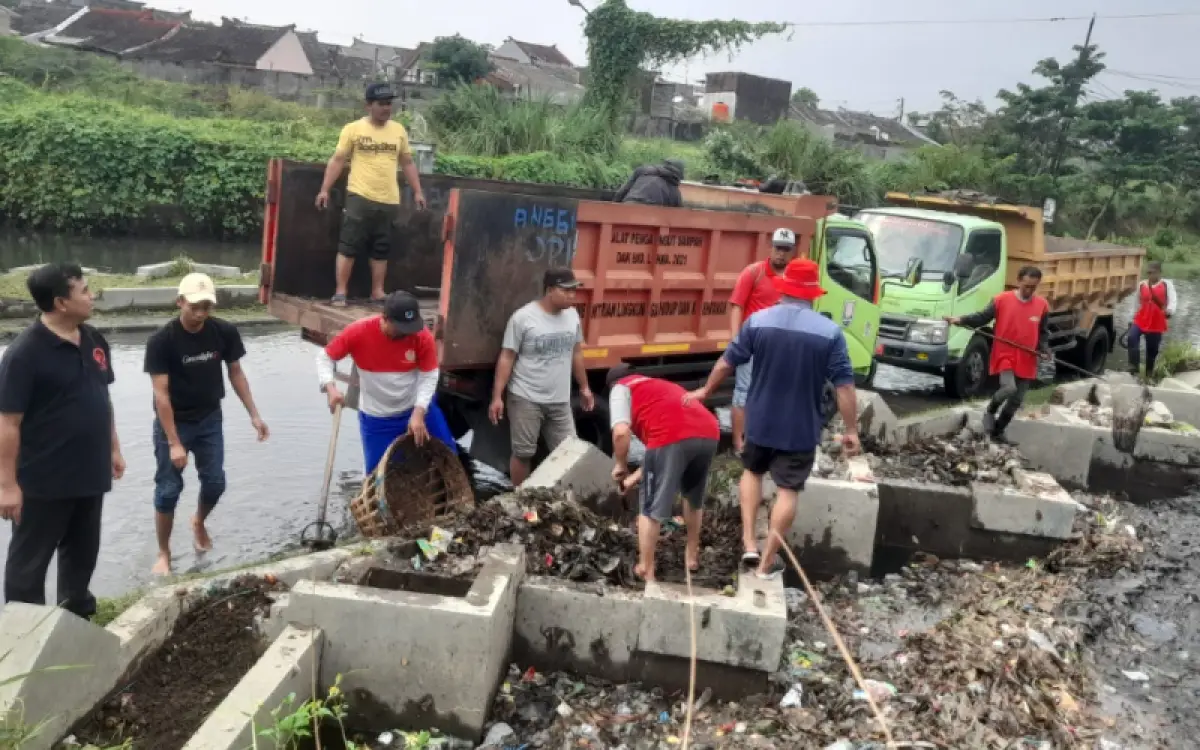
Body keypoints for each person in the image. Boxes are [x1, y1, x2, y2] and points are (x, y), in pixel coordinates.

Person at [685, 258, 860, 580]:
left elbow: (727, 362)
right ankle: (766, 563)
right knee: (787, 490)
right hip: (801, 426)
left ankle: (749, 542)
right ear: (813, 294)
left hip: (760, 420)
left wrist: (705, 391)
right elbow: (844, 386)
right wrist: (851, 430)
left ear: (783, 288)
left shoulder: (758, 322)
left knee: (752, 472)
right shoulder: (829, 332)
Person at [0, 262, 125, 619]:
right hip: (43, 481)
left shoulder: (94, 340)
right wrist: (7, 485)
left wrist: (113, 448)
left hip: (88, 474)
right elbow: (8, 423)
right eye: (84, 291)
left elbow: (102, 399)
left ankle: (75, 622)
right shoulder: (24, 354)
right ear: (60, 303)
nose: (91, 296)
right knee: (29, 565)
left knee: (82, 556)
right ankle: (24, 632)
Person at [144, 273, 270, 576]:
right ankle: (164, 552)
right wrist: (174, 442)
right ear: (180, 302)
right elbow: (161, 396)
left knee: (215, 482)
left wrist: (254, 413)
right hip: (174, 421)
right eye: (194, 307)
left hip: (210, 417)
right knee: (168, 490)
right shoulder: (162, 341)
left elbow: (236, 373)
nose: (200, 314)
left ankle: (198, 521)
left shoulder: (223, 332)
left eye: (206, 307)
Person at [318, 291, 457, 474]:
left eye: (409, 327)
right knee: (379, 474)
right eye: (400, 328)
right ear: (385, 318)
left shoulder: (421, 336)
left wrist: (418, 413)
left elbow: (429, 375)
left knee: (449, 458)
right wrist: (331, 388)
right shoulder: (359, 332)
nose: (405, 333)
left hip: (416, 409)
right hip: (378, 417)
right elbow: (325, 358)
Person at [315, 82, 427, 308]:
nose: (386, 108)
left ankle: (377, 291)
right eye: (381, 104)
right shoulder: (353, 129)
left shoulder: (398, 131)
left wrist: (417, 191)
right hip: (359, 195)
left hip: (388, 199)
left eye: (389, 104)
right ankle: (340, 291)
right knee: (349, 244)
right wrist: (325, 189)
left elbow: (407, 162)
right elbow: (338, 160)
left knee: (381, 247)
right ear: (368, 106)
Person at [607, 365, 720, 583]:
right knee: (693, 497)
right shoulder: (658, 386)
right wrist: (632, 479)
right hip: (708, 431)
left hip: (672, 436)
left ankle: (646, 568)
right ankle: (691, 557)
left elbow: (621, 433)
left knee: (650, 507)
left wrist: (620, 464)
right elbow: (661, 454)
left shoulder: (620, 389)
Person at [489, 269, 595, 485]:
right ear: (549, 290)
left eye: (574, 291)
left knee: (569, 451)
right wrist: (497, 397)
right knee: (523, 453)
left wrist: (584, 387)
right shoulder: (523, 318)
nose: (572, 296)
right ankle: (521, 499)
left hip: (560, 399)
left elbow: (576, 352)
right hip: (526, 397)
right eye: (566, 291)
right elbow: (507, 357)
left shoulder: (572, 316)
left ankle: (565, 500)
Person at [946, 266, 1051, 441]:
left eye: (1033, 287)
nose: (1029, 290)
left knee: (1016, 400)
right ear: (1019, 281)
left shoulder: (1042, 306)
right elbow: (982, 317)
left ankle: (998, 430)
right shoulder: (1001, 300)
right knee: (1009, 388)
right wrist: (961, 320)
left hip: (1027, 358)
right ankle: (990, 410)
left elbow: (1043, 333)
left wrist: (1044, 349)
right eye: (1026, 286)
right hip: (1005, 354)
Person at [728, 228, 799, 454]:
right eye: (778, 248)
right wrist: (737, 340)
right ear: (771, 247)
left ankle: (762, 440)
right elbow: (737, 306)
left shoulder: (794, 280)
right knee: (743, 392)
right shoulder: (753, 272)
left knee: (773, 394)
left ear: (792, 252)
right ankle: (739, 444)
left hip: (779, 349)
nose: (781, 254)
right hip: (751, 346)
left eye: (786, 250)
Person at [1128, 261, 1177, 380]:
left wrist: (1169, 310)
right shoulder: (1142, 285)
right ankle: (1134, 370)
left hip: (1156, 321)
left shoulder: (1167, 285)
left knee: (1152, 350)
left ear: (1159, 272)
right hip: (1141, 319)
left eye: (1153, 272)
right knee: (1132, 337)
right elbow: (1136, 303)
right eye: (1148, 272)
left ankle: (1149, 375)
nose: (1150, 275)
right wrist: (1132, 317)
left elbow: (1173, 300)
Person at [613, 159, 684, 208]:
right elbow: (678, 215)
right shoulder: (675, 191)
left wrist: (612, 209)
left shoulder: (641, 171)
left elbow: (621, 193)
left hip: (628, 207)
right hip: (651, 218)